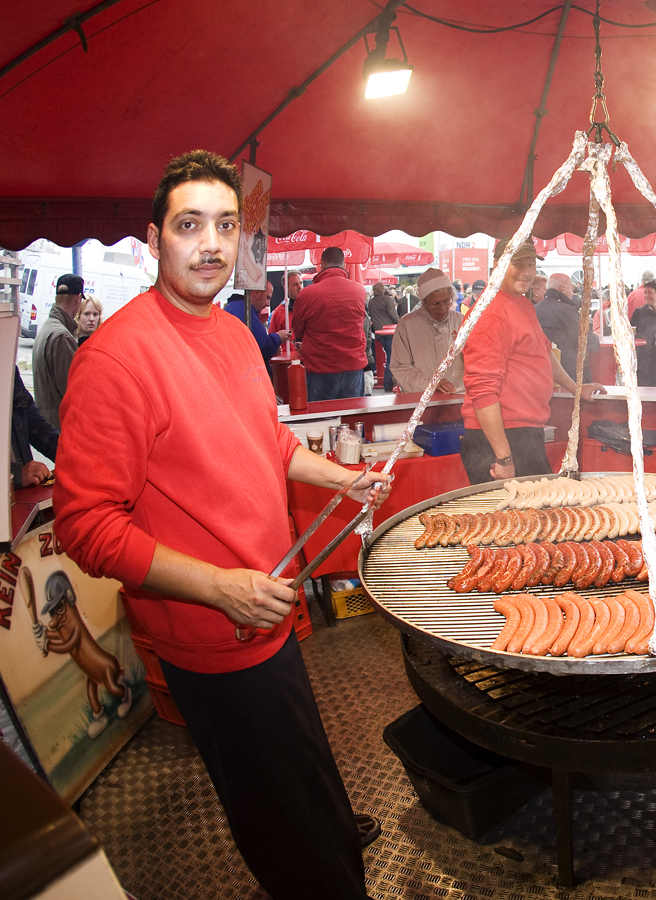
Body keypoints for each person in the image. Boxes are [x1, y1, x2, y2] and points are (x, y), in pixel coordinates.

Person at [51, 150, 388, 900]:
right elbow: (85, 524)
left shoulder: (236, 331)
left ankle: (332, 835)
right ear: (154, 241)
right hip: (212, 628)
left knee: (303, 756)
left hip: (268, 606)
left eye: (226, 225)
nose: (210, 243)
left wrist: (344, 480)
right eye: (189, 225)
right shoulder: (115, 359)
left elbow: (263, 442)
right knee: (274, 809)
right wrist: (219, 589)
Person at [460, 239, 602, 484]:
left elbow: (544, 353)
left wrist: (576, 389)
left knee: (536, 516)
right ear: (498, 264)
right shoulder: (490, 313)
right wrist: (504, 457)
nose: (526, 272)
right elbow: (482, 390)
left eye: (531, 264)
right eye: (518, 264)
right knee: (517, 520)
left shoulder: (522, 304)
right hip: (500, 438)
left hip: (523, 433)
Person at [291, 246, 368, 401]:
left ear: (322, 264)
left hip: (321, 368)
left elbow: (297, 330)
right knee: (352, 422)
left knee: (322, 422)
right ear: (344, 264)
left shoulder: (307, 294)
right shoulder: (359, 291)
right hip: (353, 367)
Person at [391, 267, 465, 394]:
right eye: (435, 304)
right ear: (424, 302)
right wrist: (430, 384)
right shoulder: (407, 325)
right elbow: (400, 367)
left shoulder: (461, 321)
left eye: (446, 301)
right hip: (422, 398)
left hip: (458, 394)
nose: (443, 308)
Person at [33, 272, 83, 425]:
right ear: (78, 298)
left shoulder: (49, 327)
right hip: (58, 426)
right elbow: (71, 391)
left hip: (47, 423)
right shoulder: (61, 337)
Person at [535, 272, 596, 384]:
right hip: (569, 375)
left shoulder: (533, 310)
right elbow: (589, 341)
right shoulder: (568, 312)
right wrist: (595, 339)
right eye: (570, 285)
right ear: (562, 288)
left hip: (540, 374)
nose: (573, 288)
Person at [11, 367, 59, 490]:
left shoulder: (9, 371)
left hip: (23, 498)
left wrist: (72, 455)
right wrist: (14, 475)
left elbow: (36, 426)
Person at [224, 288, 288, 365]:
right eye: (267, 298)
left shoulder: (234, 307)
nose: (268, 304)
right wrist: (278, 338)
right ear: (257, 293)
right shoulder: (244, 311)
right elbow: (262, 345)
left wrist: (272, 350)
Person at [630, 279, 656, 386]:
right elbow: (632, 333)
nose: (646, 296)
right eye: (645, 293)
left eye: (650, 293)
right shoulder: (639, 312)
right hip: (644, 361)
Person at [368, 282, 399, 391]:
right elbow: (393, 315)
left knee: (389, 357)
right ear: (383, 290)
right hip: (390, 331)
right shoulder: (388, 300)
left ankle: (387, 383)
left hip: (379, 333)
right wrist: (401, 324)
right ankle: (388, 384)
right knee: (392, 358)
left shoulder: (371, 302)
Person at [268, 270, 301, 335]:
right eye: (295, 285)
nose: (300, 287)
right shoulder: (278, 313)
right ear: (286, 288)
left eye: (301, 283)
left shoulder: (310, 306)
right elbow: (272, 339)